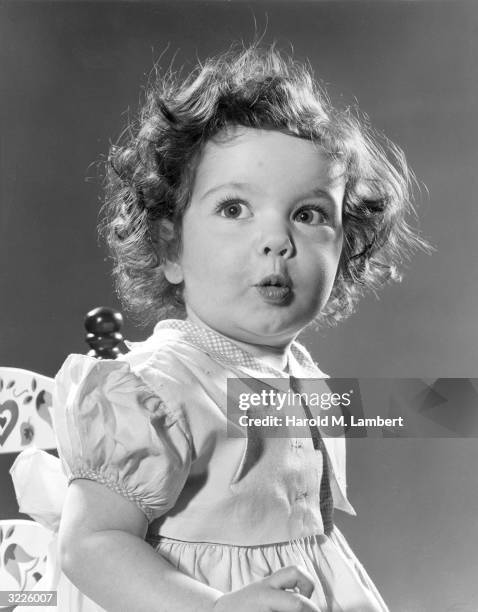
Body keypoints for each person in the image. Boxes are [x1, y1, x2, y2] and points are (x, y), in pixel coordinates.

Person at [51, 44, 428, 611]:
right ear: (169, 247)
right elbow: (90, 544)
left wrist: (450, 406)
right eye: (234, 209)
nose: (278, 239)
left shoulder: (289, 373)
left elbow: (389, 410)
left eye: (309, 213)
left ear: (345, 247)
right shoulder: (160, 388)